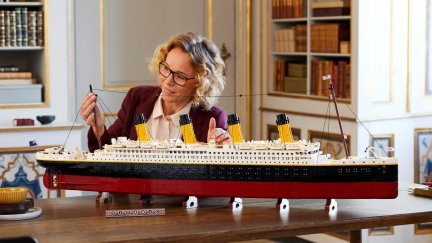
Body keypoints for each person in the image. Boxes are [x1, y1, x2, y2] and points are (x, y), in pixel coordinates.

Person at [80, 32, 231, 152]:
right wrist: (99, 127)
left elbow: (216, 180)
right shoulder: (136, 97)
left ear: (200, 83)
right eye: (166, 68)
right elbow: (106, 153)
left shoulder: (213, 117)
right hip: (133, 191)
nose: (168, 80)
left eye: (179, 76)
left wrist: (221, 151)